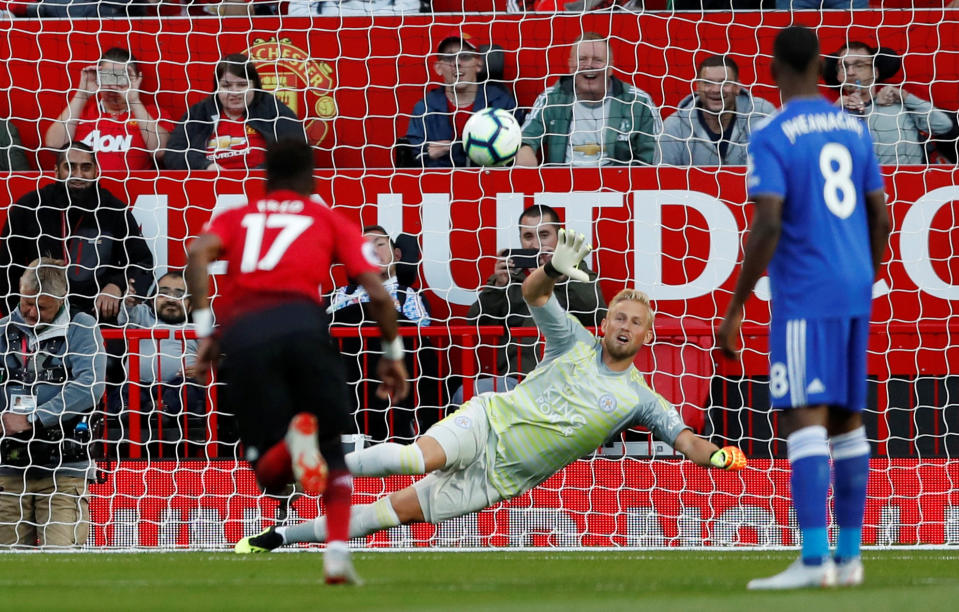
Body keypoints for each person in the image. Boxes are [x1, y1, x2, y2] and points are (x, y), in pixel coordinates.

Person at [234, 229, 747, 553]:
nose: (623, 324)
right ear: (605, 319)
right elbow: (533, 293)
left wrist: (720, 457)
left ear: (647, 336)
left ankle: (280, 536)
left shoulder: (643, 399)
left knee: (388, 515)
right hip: (487, 422)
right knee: (419, 458)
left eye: (635, 322)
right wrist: (549, 268)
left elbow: (686, 441)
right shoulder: (574, 341)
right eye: (618, 315)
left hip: (503, 478)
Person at [185, 139, 409, 584]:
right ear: (311, 179)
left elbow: (196, 255)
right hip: (305, 327)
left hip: (246, 334)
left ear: (264, 177)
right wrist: (392, 354)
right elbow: (380, 294)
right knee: (333, 453)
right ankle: (338, 555)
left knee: (270, 477)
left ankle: (289, 449)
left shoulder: (237, 217)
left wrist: (206, 331)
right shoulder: (325, 218)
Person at [717, 26, 890, 589]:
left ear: (772, 70)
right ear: (823, 67)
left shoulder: (774, 134)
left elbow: (767, 222)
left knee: (801, 414)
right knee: (846, 417)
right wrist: (866, 272)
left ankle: (814, 561)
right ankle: (850, 558)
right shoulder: (853, 128)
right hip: (854, 284)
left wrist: (737, 305)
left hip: (806, 289)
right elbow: (881, 217)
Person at [0, 258, 106, 548]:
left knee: (61, 558)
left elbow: (90, 387)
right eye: (26, 304)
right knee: (6, 568)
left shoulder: (81, 328)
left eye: (42, 306)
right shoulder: (2, 330)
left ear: (61, 300)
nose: (31, 312)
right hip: (8, 471)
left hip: (65, 469)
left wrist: (32, 418)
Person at [0, 143, 154, 322]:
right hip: (39, 318)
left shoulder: (114, 210)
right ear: (56, 171)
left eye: (86, 167)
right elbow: (6, 270)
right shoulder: (29, 207)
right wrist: (17, 319)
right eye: (70, 167)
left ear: (96, 171)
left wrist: (117, 285)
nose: (78, 175)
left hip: (98, 319)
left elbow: (143, 263)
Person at [464, 204, 606, 400]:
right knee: (465, 394)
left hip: (570, 380)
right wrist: (497, 286)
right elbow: (475, 325)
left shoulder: (575, 270)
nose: (536, 244)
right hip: (517, 381)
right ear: (520, 239)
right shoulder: (509, 277)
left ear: (559, 238)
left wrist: (560, 276)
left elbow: (598, 313)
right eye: (528, 237)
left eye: (544, 235)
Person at [329, 226, 439, 442]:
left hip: (391, 373)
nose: (373, 250)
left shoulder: (408, 295)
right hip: (347, 375)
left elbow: (419, 336)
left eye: (379, 244)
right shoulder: (341, 295)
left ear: (397, 255)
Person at [516, 32, 660, 166]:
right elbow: (524, 140)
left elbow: (655, 157)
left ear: (610, 68)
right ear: (571, 66)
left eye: (597, 60)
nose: (589, 65)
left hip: (619, 188)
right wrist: (525, 154)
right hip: (564, 187)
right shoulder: (551, 99)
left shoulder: (639, 103)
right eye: (582, 59)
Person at [165, 54, 306, 171]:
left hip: (262, 184)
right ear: (217, 88)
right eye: (226, 86)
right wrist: (206, 166)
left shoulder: (272, 108)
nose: (234, 92)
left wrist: (261, 173)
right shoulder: (200, 112)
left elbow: (298, 151)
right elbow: (173, 154)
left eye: (242, 85)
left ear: (255, 86)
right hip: (209, 184)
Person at [44, 47, 172, 172]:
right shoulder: (79, 112)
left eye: (120, 78)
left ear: (135, 79)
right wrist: (82, 95)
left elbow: (161, 151)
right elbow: (54, 146)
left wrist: (134, 101)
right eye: (107, 77)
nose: (112, 86)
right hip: (85, 188)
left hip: (134, 188)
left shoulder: (152, 114)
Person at [829, 41, 955, 165]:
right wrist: (832, 113)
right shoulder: (834, 112)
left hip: (909, 180)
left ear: (875, 72)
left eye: (859, 65)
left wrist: (904, 97)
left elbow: (943, 125)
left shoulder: (898, 106)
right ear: (838, 76)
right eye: (843, 67)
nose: (850, 72)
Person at [403, 35, 521, 168]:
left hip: (492, 181)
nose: (457, 63)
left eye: (464, 56)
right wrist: (427, 152)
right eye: (449, 58)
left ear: (479, 64)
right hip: (439, 184)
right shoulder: (424, 109)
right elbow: (410, 158)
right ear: (438, 68)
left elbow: (521, 149)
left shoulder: (502, 104)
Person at [116, 271, 204, 438]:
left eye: (180, 295)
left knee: (188, 390)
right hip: (139, 385)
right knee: (123, 391)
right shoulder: (142, 316)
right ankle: (129, 410)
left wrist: (203, 370)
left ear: (191, 306)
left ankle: (162, 409)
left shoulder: (197, 330)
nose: (171, 299)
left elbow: (217, 358)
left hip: (179, 384)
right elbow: (126, 318)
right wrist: (128, 303)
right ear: (151, 299)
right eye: (163, 293)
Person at [659, 55, 776, 166]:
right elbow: (662, 178)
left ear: (737, 87)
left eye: (724, 83)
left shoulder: (763, 114)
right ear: (698, 87)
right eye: (708, 83)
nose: (716, 90)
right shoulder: (674, 127)